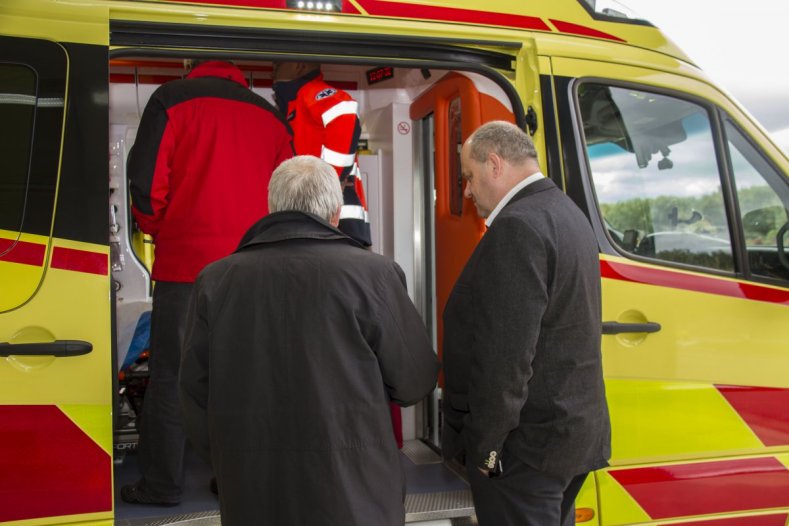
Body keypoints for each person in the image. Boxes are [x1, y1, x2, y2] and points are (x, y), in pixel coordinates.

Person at [179, 155, 440, 526]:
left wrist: (233, 456)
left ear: (271, 207)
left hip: (253, 492)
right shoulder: (374, 274)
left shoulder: (216, 280)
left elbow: (193, 391)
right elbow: (415, 380)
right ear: (336, 213)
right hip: (355, 495)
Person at [122, 59, 293, 506]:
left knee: (171, 378)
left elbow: (146, 185)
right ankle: (235, 480)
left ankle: (161, 485)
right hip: (253, 270)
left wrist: (162, 229)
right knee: (245, 377)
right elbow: (287, 197)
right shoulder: (270, 117)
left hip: (185, 269)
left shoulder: (171, 100)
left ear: (190, 69)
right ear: (239, 75)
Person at [441, 121, 611, 526]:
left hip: (527, 448)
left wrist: (486, 449)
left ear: (494, 164)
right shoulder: (567, 212)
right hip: (569, 438)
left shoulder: (517, 226)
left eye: (468, 176)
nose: (467, 190)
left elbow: (506, 356)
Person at [271, 61, 372, 247]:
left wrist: (327, 184)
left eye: (277, 65)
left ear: (299, 66)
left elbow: (344, 112)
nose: (272, 71)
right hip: (319, 224)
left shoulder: (312, 92)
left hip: (338, 224)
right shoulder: (291, 105)